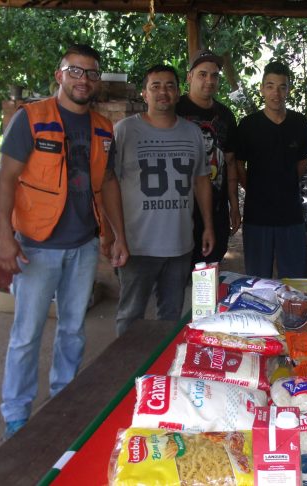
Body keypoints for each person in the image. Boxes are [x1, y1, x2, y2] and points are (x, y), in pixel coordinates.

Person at [0, 44, 128, 439]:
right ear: (60, 75)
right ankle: (16, 415)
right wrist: (5, 237)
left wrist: (117, 235)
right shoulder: (31, 119)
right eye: (75, 71)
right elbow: (5, 179)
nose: (83, 79)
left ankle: (63, 399)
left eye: (91, 73)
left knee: (73, 330)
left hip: (83, 246)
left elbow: (108, 183)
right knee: (26, 335)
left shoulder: (103, 127)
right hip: (37, 246)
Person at [110, 64, 214, 336]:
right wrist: (112, 235)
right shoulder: (124, 131)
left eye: (169, 86)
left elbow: (201, 180)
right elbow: (108, 185)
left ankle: (162, 362)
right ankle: (128, 363)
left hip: (179, 244)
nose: (163, 92)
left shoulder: (192, 132)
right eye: (155, 86)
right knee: (131, 315)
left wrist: (208, 226)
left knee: (170, 317)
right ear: (144, 93)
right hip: (137, 245)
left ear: (178, 92)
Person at [236, 61, 307, 278]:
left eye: (282, 87)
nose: (276, 93)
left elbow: (302, 162)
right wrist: (253, 188)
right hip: (257, 214)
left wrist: (286, 185)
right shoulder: (249, 125)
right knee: (257, 279)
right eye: (270, 86)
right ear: (262, 89)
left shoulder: (299, 123)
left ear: (288, 90)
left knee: (294, 279)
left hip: (291, 213)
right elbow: (239, 164)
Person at [176, 49, 240, 266]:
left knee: (210, 271)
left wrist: (234, 205)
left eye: (214, 76)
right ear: (189, 77)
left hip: (216, 209)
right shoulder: (174, 110)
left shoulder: (225, 115)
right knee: (177, 273)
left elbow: (230, 162)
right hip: (180, 210)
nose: (209, 80)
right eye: (202, 74)